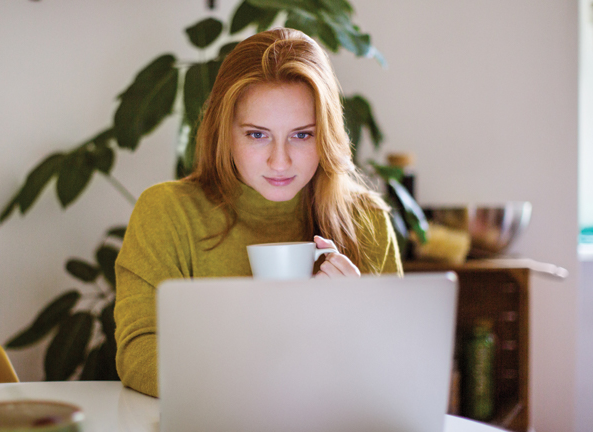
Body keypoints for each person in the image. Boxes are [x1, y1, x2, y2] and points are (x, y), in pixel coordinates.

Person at [114, 28, 403, 398]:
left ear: (327, 134)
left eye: (302, 135)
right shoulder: (167, 213)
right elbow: (139, 354)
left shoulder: (367, 220)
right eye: (256, 135)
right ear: (225, 132)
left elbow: (395, 375)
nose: (279, 161)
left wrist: (354, 323)